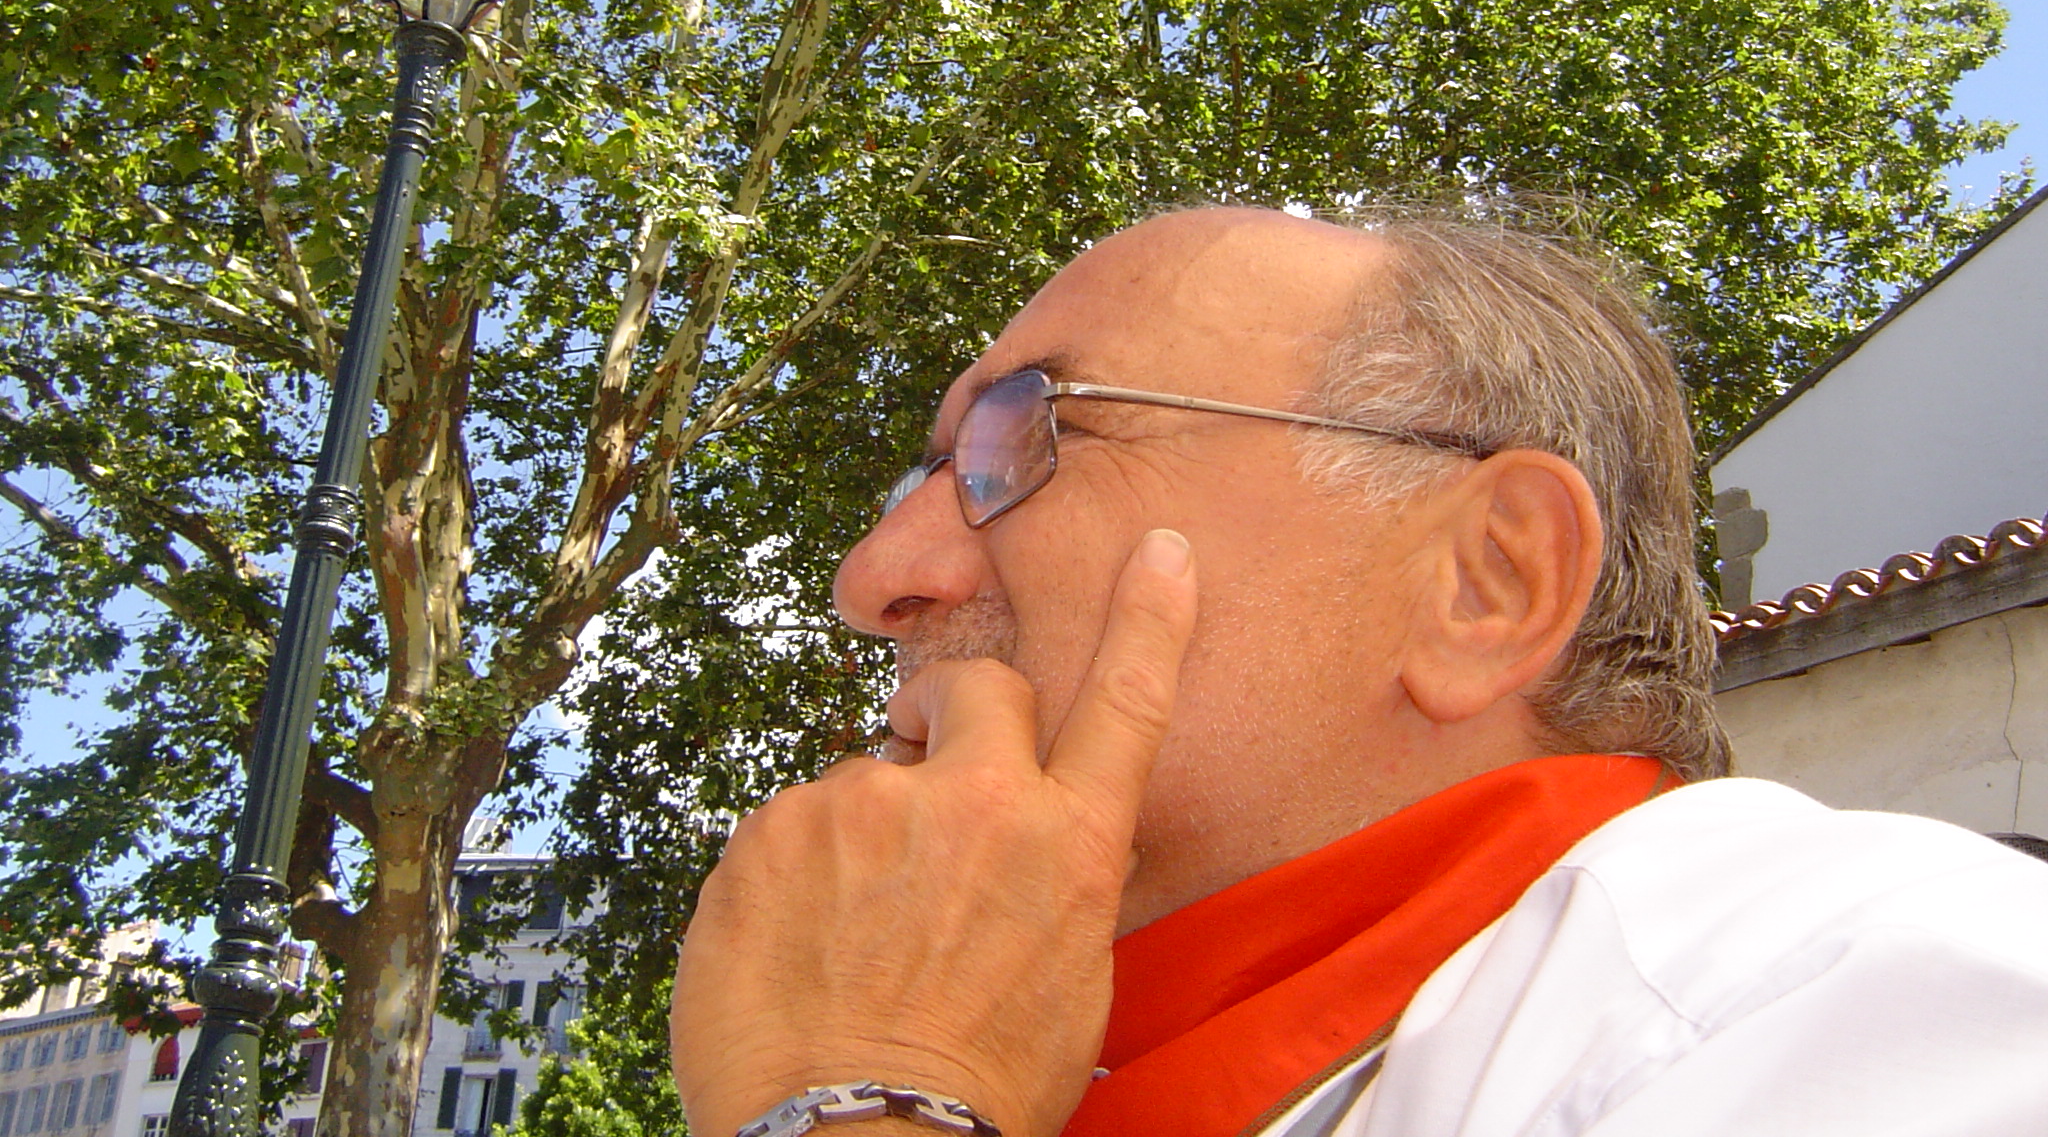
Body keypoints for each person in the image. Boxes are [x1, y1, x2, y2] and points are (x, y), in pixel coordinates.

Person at [669, 205, 2048, 1137]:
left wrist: (875, 1098)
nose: (877, 573)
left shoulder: (1864, 995)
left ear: (1484, 583)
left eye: (1027, 435)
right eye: (922, 473)